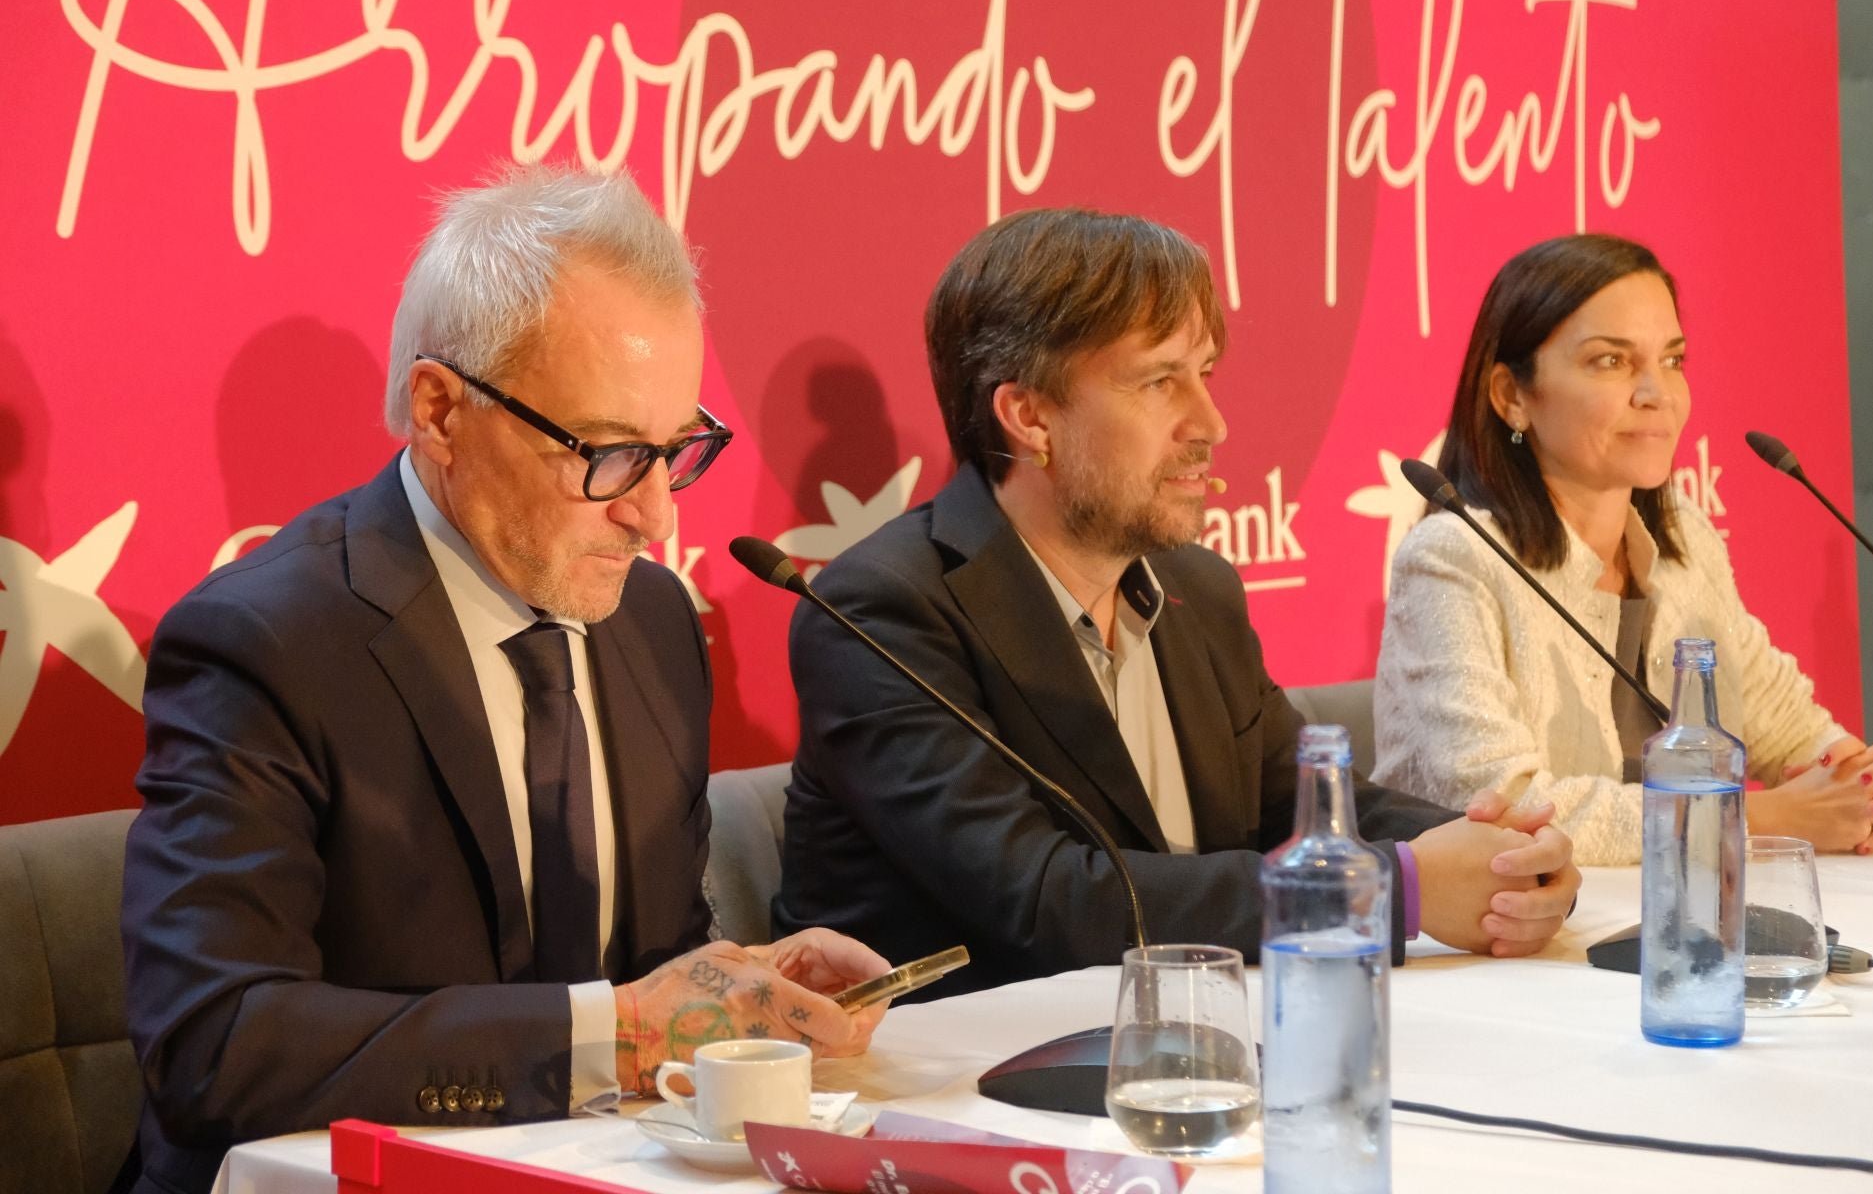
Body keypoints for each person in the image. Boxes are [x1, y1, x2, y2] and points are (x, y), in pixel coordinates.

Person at [121, 166, 889, 1194]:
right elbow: (213, 1040)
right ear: (439, 411)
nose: (656, 514)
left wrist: (741, 990)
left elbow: (655, 958)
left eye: (677, 450)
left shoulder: (654, 622)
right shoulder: (265, 641)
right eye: (612, 453)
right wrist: (608, 1031)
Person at [772, 208, 1580, 998]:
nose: (1212, 421)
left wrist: (1500, 858)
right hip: (951, 1087)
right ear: (1029, 417)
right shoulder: (882, 612)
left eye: (1206, 376)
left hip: (1187, 1040)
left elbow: (1294, 811)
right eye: (1161, 381)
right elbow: (1043, 896)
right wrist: (1389, 888)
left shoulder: (1199, 589)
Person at [1373, 232, 1873, 865]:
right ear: (1511, 396)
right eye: (1612, 362)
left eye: (1673, 360)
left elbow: (1784, 720)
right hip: (1501, 946)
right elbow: (1499, 811)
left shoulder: (1683, 538)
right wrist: (1756, 815)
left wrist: (1859, 785)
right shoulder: (1451, 560)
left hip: (1663, 923)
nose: (1657, 393)